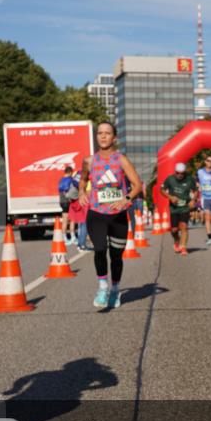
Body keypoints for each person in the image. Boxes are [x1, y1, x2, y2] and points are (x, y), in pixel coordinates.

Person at [78, 121, 142, 309]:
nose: (103, 136)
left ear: (114, 137)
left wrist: (127, 198)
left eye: (107, 133)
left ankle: (115, 289)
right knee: (99, 249)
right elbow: (82, 180)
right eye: (100, 133)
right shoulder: (88, 161)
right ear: (96, 136)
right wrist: (82, 192)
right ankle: (102, 287)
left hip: (118, 215)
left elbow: (137, 184)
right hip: (96, 213)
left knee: (116, 256)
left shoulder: (121, 160)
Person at [161, 162, 195, 255]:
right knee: (174, 230)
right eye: (178, 173)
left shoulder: (190, 179)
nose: (180, 175)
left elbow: (195, 190)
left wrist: (193, 200)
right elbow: (162, 190)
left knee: (184, 226)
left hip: (185, 206)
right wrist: (170, 197)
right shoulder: (170, 179)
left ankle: (183, 247)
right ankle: (177, 240)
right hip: (174, 208)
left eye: (182, 173)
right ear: (175, 172)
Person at [196, 154, 211, 245]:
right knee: (207, 218)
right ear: (205, 162)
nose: (210, 162)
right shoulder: (200, 172)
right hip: (205, 198)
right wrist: (198, 185)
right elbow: (196, 180)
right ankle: (209, 237)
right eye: (208, 160)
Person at [57, 165, 79, 244]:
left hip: (62, 202)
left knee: (65, 221)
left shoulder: (61, 180)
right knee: (72, 220)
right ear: (70, 172)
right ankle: (73, 237)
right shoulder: (71, 180)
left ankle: (64, 238)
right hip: (70, 201)